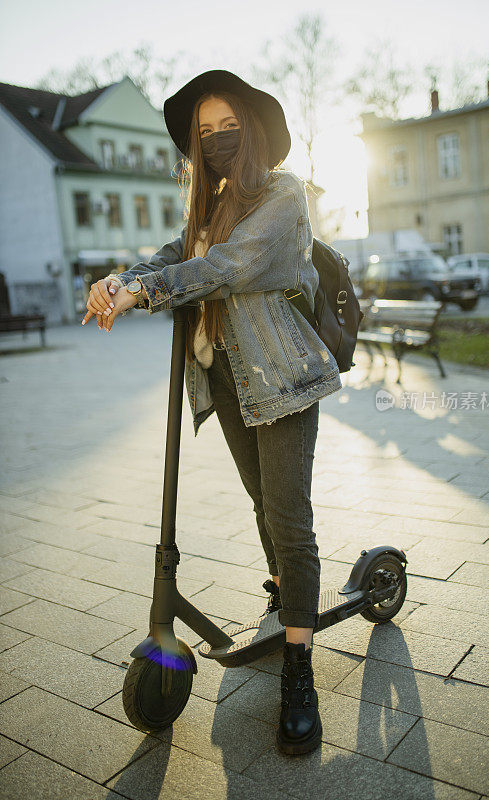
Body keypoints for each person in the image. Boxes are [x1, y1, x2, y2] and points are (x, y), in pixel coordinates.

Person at [82, 69, 343, 755]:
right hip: (224, 376)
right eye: (205, 133)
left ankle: (297, 668)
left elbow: (228, 266)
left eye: (228, 127)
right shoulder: (207, 203)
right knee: (262, 505)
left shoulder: (283, 195)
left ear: (251, 129)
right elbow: (180, 253)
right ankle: (285, 597)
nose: (218, 140)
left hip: (281, 375)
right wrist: (121, 281)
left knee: (288, 517)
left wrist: (149, 292)